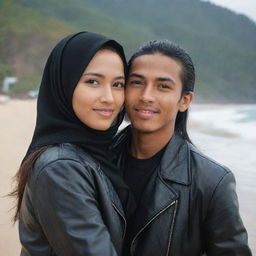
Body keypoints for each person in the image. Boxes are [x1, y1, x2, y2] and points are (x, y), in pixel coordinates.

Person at [112, 40, 252, 255]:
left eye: (163, 86)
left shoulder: (212, 182)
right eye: (137, 82)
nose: (146, 96)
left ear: (184, 100)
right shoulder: (93, 160)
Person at [11, 31, 133, 256]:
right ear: (64, 85)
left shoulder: (101, 153)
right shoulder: (60, 167)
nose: (109, 97)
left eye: (118, 84)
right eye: (93, 81)